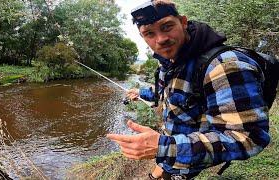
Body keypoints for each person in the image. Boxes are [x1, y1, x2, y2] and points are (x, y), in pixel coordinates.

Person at [107, 0, 270, 179]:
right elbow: (168, 94)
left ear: (183, 22)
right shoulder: (168, 61)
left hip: (186, 157)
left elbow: (249, 138)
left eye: (167, 26)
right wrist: (140, 93)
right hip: (170, 154)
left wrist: (165, 147)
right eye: (149, 33)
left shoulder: (224, 66)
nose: (161, 39)